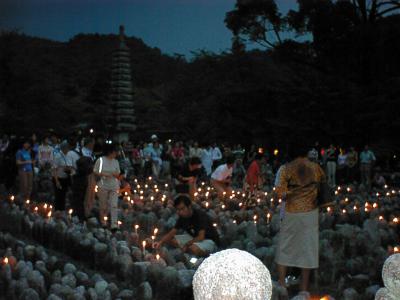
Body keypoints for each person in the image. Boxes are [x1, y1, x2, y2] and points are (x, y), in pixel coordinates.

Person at [274, 145, 326, 297]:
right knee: (307, 249)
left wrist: (293, 193)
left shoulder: (285, 169)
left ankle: (282, 285)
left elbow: (280, 193)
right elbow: (323, 192)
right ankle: (304, 289)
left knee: (285, 248)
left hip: (291, 212)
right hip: (310, 213)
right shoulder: (316, 168)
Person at [153, 194, 219, 257]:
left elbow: (201, 237)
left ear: (189, 207)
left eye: (182, 209)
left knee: (193, 248)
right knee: (171, 240)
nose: (180, 212)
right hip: (193, 237)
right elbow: (171, 233)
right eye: (178, 210)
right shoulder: (182, 217)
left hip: (207, 239)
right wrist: (160, 242)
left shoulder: (199, 215)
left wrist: (187, 244)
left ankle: (203, 254)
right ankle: (187, 251)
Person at [93, 143, 121, 230]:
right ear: (110, 152)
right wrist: (104, 174)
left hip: (114, 185)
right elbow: (95, 171)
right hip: (103, 185)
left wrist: (115, 174)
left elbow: (118, 173)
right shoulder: (100, 160)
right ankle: (103, 221)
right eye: (115, 152)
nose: (116, 154)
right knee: (103, 205)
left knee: (114, 204)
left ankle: (114, 224)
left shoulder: (116, 161)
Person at [52, 141, 73, 211]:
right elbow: (54, 169)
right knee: (58, 195)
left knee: (63, 195)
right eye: (67, 148)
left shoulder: (69, 155)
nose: (68, 150)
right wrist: (56, 181)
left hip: (65, 178)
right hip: (58, 178)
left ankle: (62, 209)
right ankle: (57, 210)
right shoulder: (57, 156)